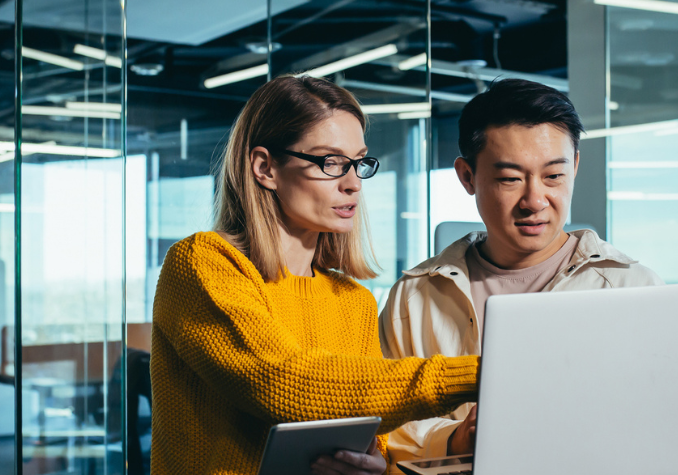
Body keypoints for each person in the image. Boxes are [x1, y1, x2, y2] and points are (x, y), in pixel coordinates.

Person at [150, 75, 480, 475]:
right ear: (265, 168)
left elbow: (372, 436)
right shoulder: (203, 263)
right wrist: (481, 372)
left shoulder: (353, 300)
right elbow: (282, 382)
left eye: (358, 162)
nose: (353, 184)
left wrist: (373, 462)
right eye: (331, 162)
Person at [378, 79, 663, 472]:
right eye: (510, 179)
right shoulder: (414, 298)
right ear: (467, 176)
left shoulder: (634, 289)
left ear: (575, 167)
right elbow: (384, 431)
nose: (534, 201)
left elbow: (663, 424)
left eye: (554, 176)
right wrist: (457, 439)